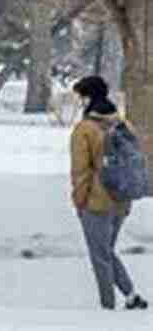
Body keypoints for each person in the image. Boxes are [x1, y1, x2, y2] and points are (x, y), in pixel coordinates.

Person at [70, 75, 148, 310]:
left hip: (96, 202)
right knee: (106, 252)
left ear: (86, 98)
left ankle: (107, 308)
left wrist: (79, 201)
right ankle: (131, 295)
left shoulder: (84, 129)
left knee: (100, 256)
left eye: (80, 97)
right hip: (122, 200)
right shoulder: (123, 123)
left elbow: (81, 170)